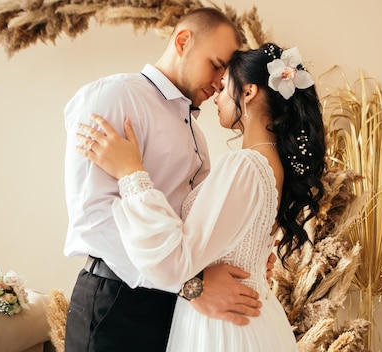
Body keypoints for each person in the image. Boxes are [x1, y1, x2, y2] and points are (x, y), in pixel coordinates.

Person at [76, 42, 327, 351]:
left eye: (224, 87)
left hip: (223, 327)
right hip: (245, 315)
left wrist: (131, 173)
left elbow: (175, 261)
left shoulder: (244, 165)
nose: (216, 97)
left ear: (248, 93)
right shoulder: (270, 165)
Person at [63, 8, 267, 352]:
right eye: (216, 65)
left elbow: (195, 226)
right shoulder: (113, 97)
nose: (220, 81)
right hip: (116, 303)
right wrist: (190, 285)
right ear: (183, 41)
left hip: (175, 311)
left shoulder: (198, 137)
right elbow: (94, 218)